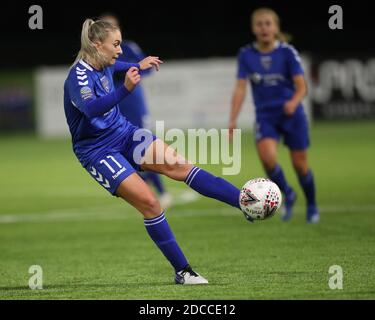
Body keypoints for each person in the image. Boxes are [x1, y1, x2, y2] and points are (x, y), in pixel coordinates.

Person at [64, 18, 250, 285]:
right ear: (96, 45)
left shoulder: (104, 62)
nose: (119, 50)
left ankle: (243, 201)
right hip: (96, 151)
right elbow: (92, 109)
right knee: (151, 203)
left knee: (181, 166)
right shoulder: (77, 76)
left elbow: (117, 64)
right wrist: (125, 89)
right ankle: (183, 272)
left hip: (124, 133)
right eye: (115, 44)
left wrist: (137, 65)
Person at [229, 7, 319, 223]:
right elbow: (240, 88)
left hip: (292, 114)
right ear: (253, 29)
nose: (264, 28)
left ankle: (312, 205)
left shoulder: (287, 52)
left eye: (268, 23)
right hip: (265, 115)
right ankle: (287, 193)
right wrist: (232, 120)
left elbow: (302, 86)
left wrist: (293, 102)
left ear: (276, 27)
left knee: (300, 165)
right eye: (260, 24)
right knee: (268, 159)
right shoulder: (246, 55)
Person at [99, 14, 173, 209]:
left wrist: (128, 70)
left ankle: (162, 192)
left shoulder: (128, 48)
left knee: (143, 149)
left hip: (134, 106)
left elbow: (146, 69)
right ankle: (146, 193)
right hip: (115, 109)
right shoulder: (98, 58)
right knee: (125, 154)